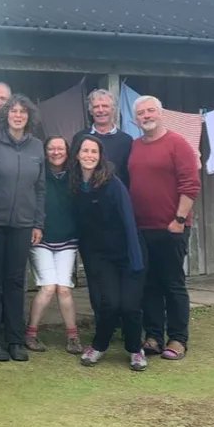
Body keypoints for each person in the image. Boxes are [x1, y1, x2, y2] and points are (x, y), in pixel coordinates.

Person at [128, 94, 200, 361]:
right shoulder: (135, 146)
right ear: (135, 119)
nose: (146, 116)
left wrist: (179, 220)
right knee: (149, 284)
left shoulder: (177, 143)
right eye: (141, 113)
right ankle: (155, 336)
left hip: (172, 227)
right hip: (142, 228)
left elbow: (190, 184)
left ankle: (178, 339)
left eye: (151, 111)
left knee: (172, 284)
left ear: (160, 114)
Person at [0, 94, 45, 362]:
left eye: (22, 112)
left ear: (28, 117)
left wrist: (38, 222)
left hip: (24, 225)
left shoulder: (37, 146)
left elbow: (41, 188)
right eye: (13, 111)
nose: (18, 115)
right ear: (6, 115)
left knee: (16, 282)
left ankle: (15, 340)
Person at [71, 137, 147, 370]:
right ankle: (99, 346)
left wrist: (135, 260)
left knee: (130, 306)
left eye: (94, 151)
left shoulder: (112, 183)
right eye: (85, 151)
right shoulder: (74, 185)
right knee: (110, 303)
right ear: (77, 155)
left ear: (100, 156)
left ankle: (136, 350)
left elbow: (128, 220)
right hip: (101, 256)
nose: (89, 155)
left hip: (129, 252)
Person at [24, 136, 82, 354]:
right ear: (44, 151)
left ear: (67, 152)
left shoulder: (75, 176)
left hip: (67, 240)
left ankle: (73, 337)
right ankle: (31, 334)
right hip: (42, 239)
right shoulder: (38, 174)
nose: (56, 152)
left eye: (60, 148)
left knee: (64, 289)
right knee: (48, 287)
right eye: (51, 148)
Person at [72, 88, 133, 187]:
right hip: (85, 195)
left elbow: (129, 174)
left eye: (105, 106)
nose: (101, 110)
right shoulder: (80, 138)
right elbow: (73, 169)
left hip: (115, 197)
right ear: (91, 111)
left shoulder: (126, 140)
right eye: (96, 107)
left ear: (113, 109)